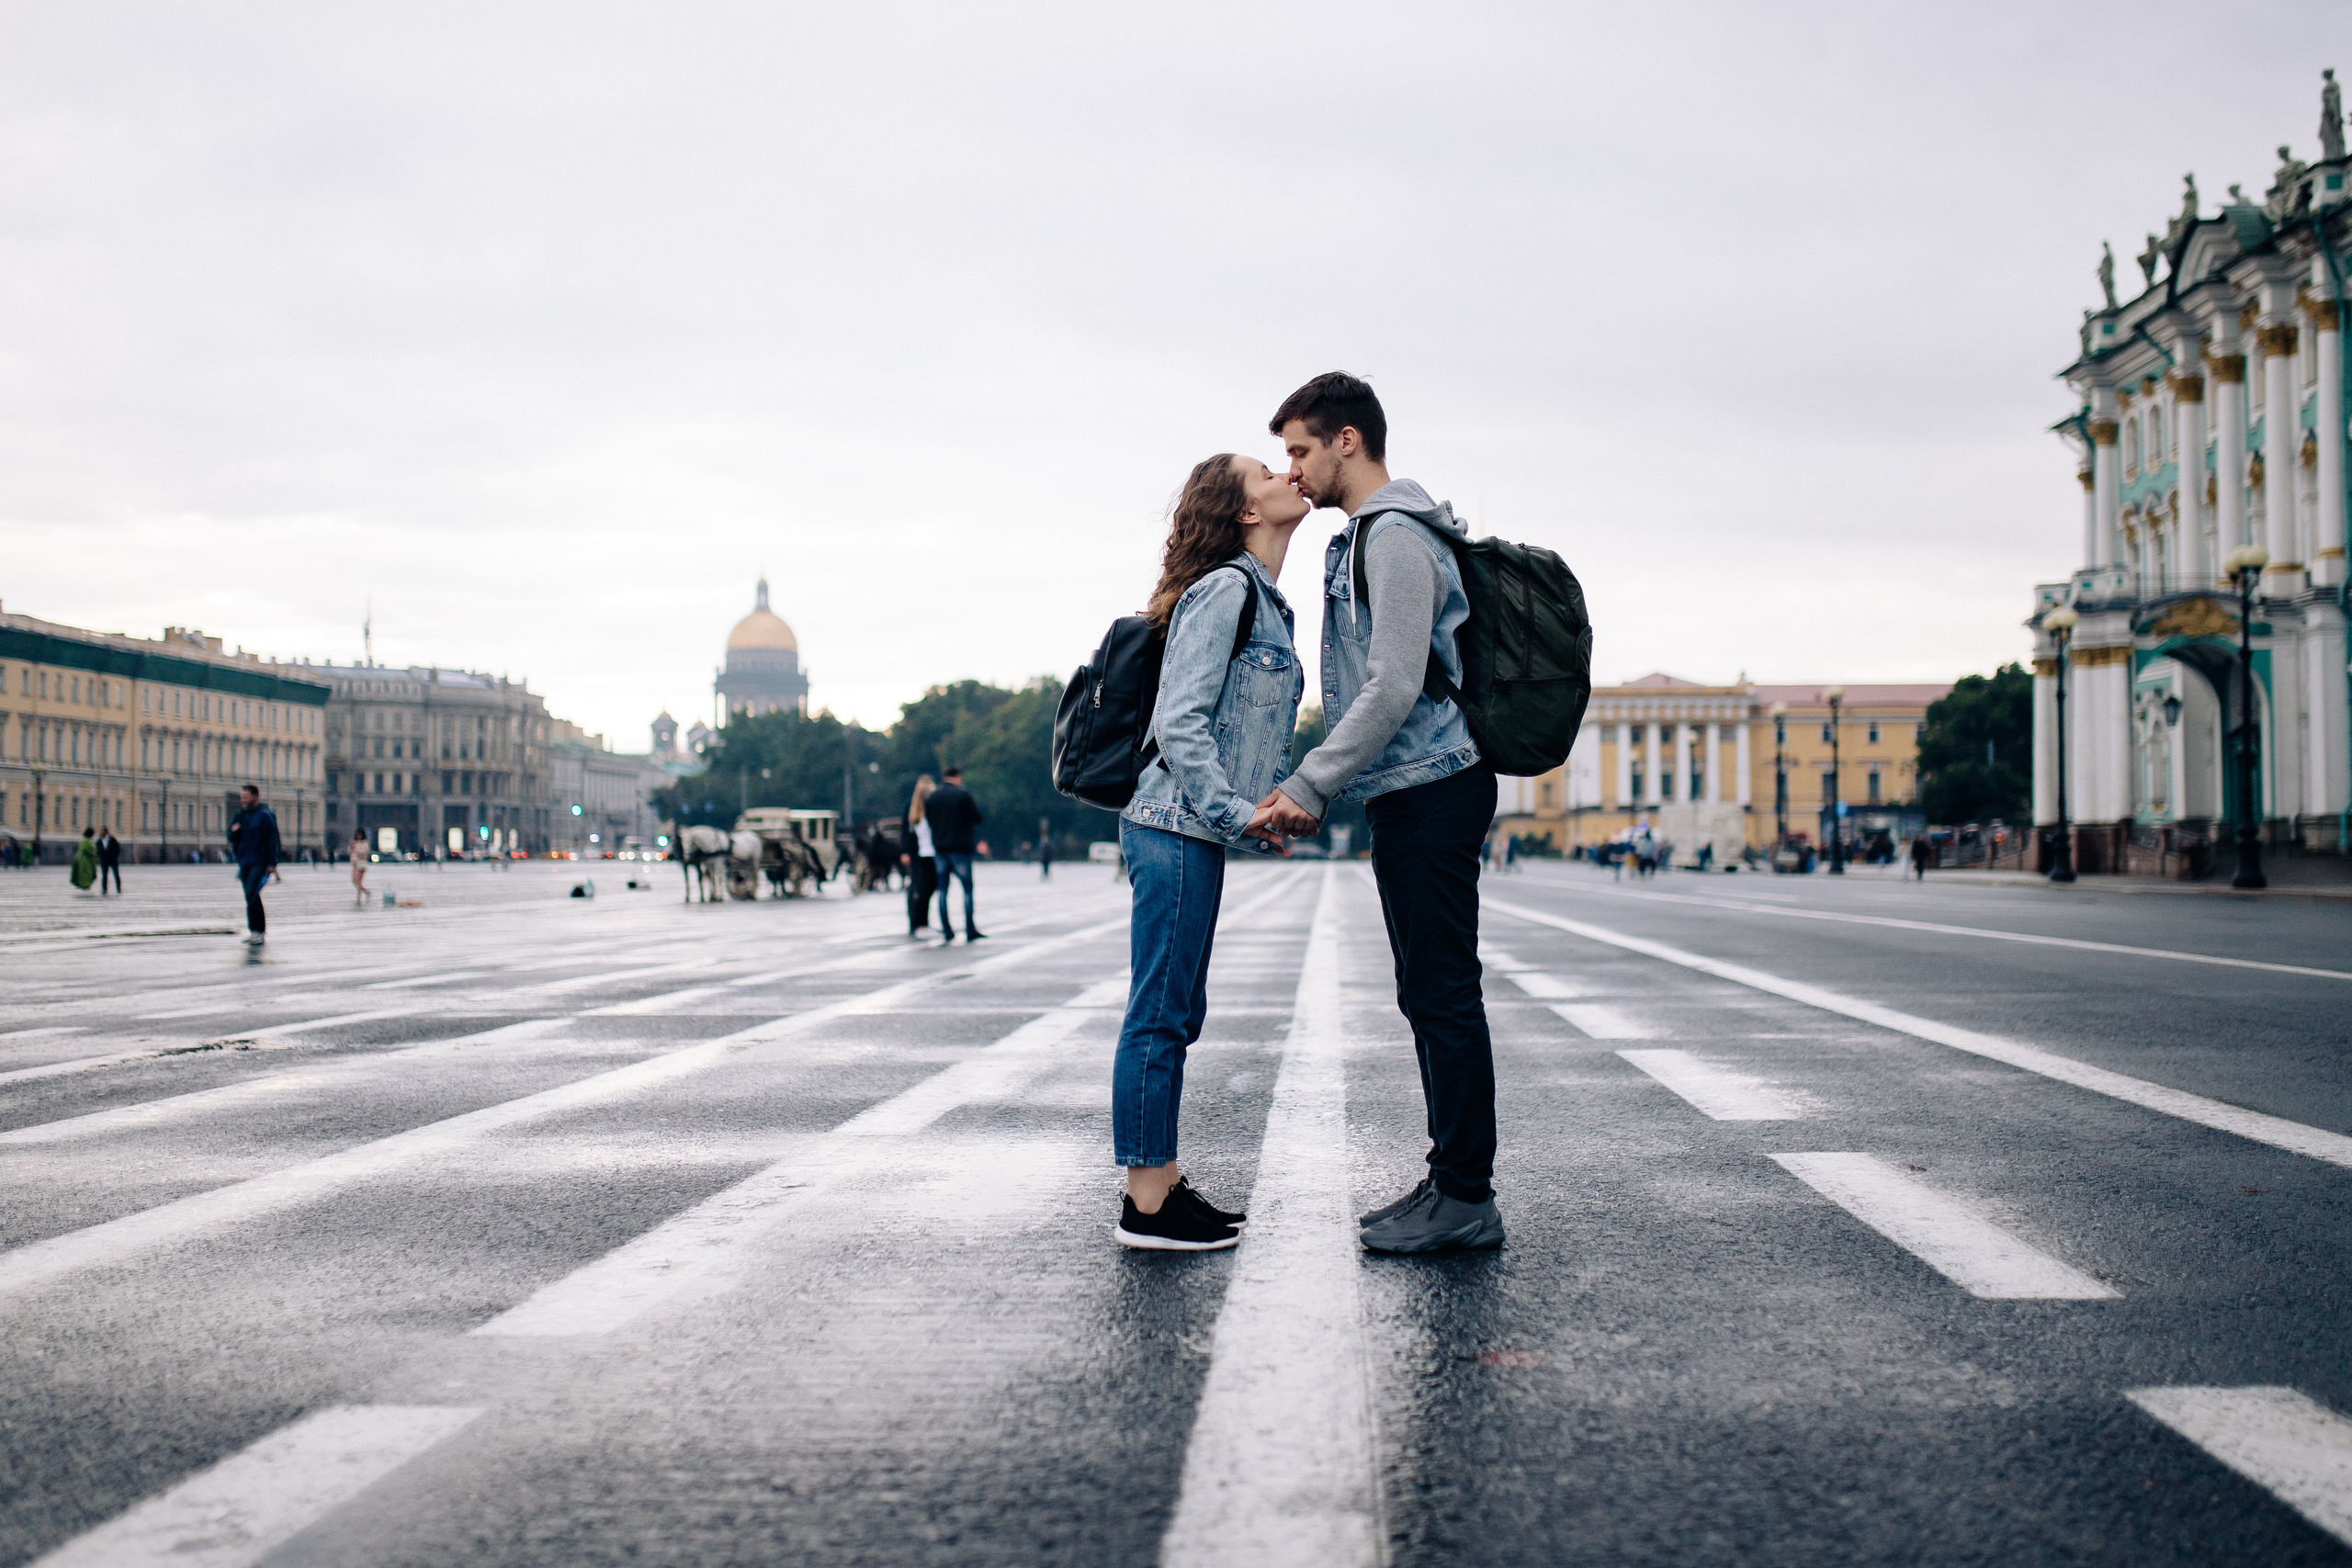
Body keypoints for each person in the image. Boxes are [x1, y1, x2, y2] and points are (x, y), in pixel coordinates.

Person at [1256, 372, 1504, 1256]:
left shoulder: (1394, 537)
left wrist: (1311, 782)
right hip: (1410, 787)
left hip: (1436, 782)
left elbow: (1394, 683)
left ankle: (1467, 1194)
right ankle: (1449, 1179)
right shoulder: (1366, 537)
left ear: (1347, 441)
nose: (1292, 471)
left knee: (1443, 991)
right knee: (1425, 990)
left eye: (1300, 450)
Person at [1113, 451, 1306, 1251]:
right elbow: (1181, 724)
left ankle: (1162, 1180)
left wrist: (1250, 812)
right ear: (1245, 510)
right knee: (1159, 1012)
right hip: (1173, 823)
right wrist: (1235, 811)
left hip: (1189, 827)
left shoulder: (1263, 600)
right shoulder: (1227, 589)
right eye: (1268, 469)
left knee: (1176, 1010)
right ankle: (1146, 1203)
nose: (1288, 472)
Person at [924, 767, 986, 942]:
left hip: (940, 849)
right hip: (960, 848)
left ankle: (946, 929)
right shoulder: (962, 795)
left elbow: (929, 821)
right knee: (967, 888)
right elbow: (977, 817)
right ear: (957, 777)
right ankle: (970, 928)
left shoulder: (932, 797)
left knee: (942, 889)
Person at [226, 785, 279, 944]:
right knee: (250, 896)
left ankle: (259, 930)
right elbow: (230, 835)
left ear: (256, 796)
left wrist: (272, 862)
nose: (243, 799)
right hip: (245, 861)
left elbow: (273, 839)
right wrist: (234, 831)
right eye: (242, 796)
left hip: (260, 861)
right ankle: (255, 931)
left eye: (246, 796)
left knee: (252, 892)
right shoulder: (240, 815)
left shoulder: (265, 815)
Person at [900, 776, 940, 937]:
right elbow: (906, 831)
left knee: (923, 889)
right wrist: (905, 851)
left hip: (924, 853)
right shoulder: (914, 807)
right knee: (921, 889)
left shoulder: (916, 807)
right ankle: (919, 924)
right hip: (922, 854)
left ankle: (919, 923)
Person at [96, 824, 122, 894]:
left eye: (102, 831)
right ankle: (104, 889)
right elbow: (97, 850)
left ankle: (118, 888)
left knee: (116, 874)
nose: (101, 833)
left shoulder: (112, 839)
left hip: (113, 860)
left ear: (106, 832)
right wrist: (100, 856)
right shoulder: (99, 841)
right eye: (101, 831)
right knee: (104, 875)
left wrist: (114, 856)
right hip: (104, 860)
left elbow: (117, 849)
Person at [70, 827, 98, 893]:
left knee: (82, 873)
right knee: (85, 873)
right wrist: (94, 852)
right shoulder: (86, 841)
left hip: (82, 859)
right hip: (85, 860)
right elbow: (87, 849)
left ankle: (82, 885)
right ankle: (85, 885)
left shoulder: (84, 840)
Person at [349, 829, 371, 903]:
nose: (358, 836)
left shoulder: (364, 844)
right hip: (354, 864)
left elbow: (363, 852)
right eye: (357, 835)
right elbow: (349, 852)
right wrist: (351, 846)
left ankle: (359, 897)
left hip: (361, 864)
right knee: (355, 881)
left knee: (358, 881)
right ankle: (366, 891)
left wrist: (355, 847)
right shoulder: (354, 843)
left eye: (360, 835)